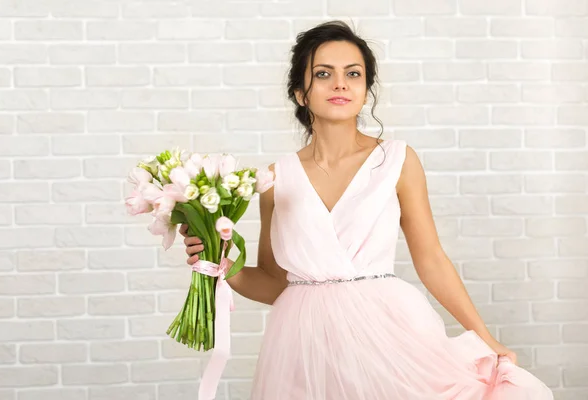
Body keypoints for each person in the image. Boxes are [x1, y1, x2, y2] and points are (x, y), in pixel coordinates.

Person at [180, 20, 553, 400]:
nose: (340, 84)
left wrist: (485, 338)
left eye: (353, 74)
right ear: (300, 93)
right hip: (304, 348)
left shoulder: (397, 160)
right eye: (323, 74)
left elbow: (431, 259)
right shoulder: (275, 178)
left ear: (365, 90)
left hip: (389, 332)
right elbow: (276, 284)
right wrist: (220, 261)